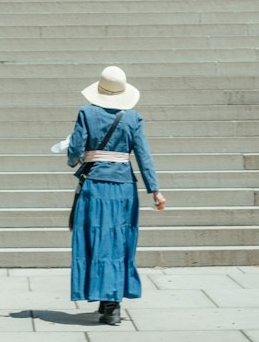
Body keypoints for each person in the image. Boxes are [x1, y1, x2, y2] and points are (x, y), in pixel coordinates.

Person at [66, 65, 165, 327]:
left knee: (95, 240)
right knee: (118, 242)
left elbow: (76, 147)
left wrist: (73, 160)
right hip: (123, 188)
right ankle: (112, 304)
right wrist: (155, 189)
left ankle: (106, 301)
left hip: (95, 185)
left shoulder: (86, 113)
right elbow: (143, 155)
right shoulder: (133, 118)